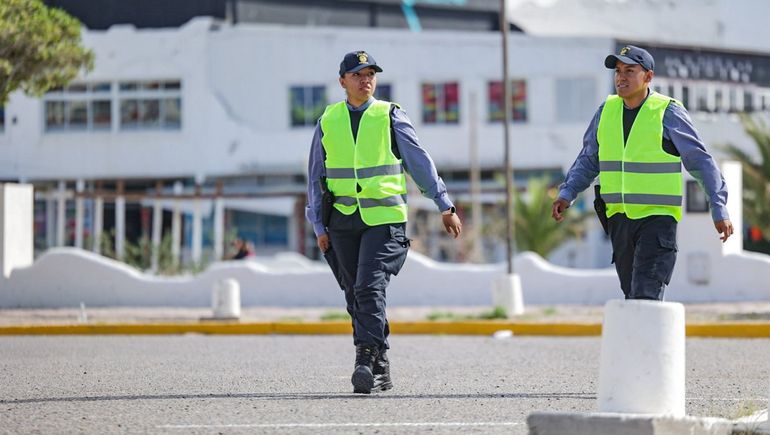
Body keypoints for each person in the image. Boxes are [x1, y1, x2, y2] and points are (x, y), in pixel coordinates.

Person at [306, 50, 462, 394]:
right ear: (343, 81)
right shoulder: (327, 121)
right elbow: (315, 176)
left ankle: (364, 360)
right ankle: (380, 364)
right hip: (342, 221)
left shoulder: (390, 116)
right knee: (354, 294)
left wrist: (444, 204)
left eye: (371, 74)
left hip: (385, 220)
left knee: (368, 287)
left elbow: (419, 162)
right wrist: (318, 227)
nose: (366, 80)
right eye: (359, 74)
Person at [551, 45, 734, 301]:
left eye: (629, 70)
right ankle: (643, 342)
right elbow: (589, 158)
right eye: (617, 71)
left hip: (657, 220)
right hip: (619, 220)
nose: (621, 77)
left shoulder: (667, 112)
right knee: (632, 295)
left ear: (648, 77)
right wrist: (567, 192)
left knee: (645, 294)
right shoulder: (607, 111)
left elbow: (700, 161)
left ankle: (650, 341)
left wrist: (719, 206)